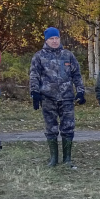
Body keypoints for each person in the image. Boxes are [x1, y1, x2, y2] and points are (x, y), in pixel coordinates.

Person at [29, 27, 86, 167]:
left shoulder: (68, 55)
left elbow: (76, 75)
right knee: (51, 128)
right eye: (51, 39)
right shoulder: (39, 56)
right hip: (48, 98)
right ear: (46, 40)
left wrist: (80, 91)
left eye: (57, 38)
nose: (54, 41)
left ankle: (67, 159)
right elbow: (34, 76)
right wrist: (34, 93)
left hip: (67, 97)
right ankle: (53, 159)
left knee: (68, 128)